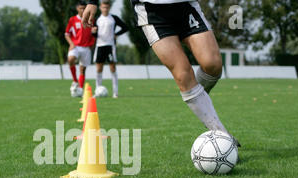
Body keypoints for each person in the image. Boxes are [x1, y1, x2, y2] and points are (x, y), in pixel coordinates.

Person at [82, 0, 241, 147]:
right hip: (152, 11)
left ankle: (201, 103)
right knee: (183, 75)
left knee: (213, 64)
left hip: (186, 6)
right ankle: (222, 136)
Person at [91, 0, 128, 98]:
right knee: (99, 68)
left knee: (112, 68)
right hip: (100, 46)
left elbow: (125, 27)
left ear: (110, 8)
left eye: (107, 7)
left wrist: (116, 34)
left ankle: (115, 92)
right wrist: (93, 32)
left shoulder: (114, 18)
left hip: (110, 46)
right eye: (103, 7)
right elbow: (94, 34)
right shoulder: (97, 19)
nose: (105, 9)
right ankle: (97, 90)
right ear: (100, 8)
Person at [65, 1, 96, 96]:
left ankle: (80, 89)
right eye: (81, 8)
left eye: (84, 8)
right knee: (70, 59)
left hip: (86, 47)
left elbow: (94, 33)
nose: (82, 10)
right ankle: (75, 80)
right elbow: (67, 34)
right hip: (76, 46)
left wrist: (92, 43)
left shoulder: (91, 19)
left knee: (82, 69)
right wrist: (71, 44)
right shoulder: (72, 20)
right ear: (77, 8)